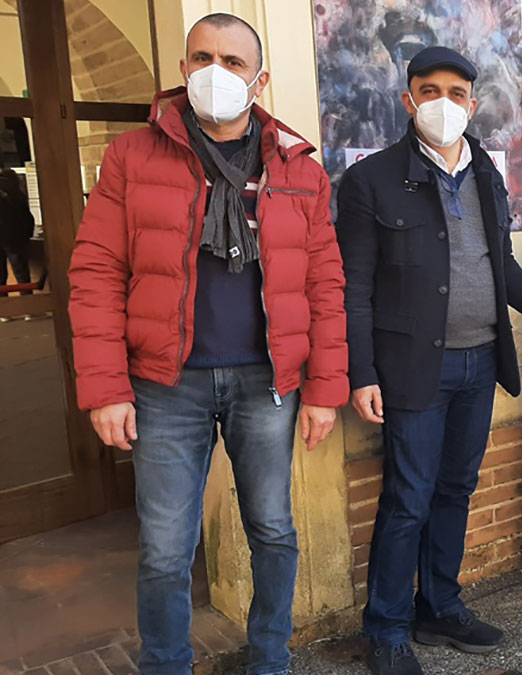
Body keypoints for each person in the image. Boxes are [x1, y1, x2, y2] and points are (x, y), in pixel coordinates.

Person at [68, 13, 348, 675]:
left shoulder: (299, 168)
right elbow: (96, 270)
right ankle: (166, 664)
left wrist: (326, 391)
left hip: (266, 380)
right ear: (184, 67)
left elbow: (324, 281)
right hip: (167, 383)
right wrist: (106, 387)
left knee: (273, 531)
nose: (215, 72)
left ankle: (271, 658)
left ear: (261, 78)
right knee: (165, 548)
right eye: (201, 57)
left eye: (232, 60)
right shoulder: (133, 157)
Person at [335, 46, 522, 675]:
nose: (443, 103)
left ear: (471, 101)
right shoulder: (370, 180)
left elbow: (501, 263)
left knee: (456, 490)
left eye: (456, 92)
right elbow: (352, 286)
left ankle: (438, 604)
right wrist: (361, 373)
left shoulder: (487, 172)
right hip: (412, 370)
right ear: (409, 98)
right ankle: (386, 626)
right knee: (407, 498)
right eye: (429, 90)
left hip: (477, 364)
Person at [0, 168, 33, 295]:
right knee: (22, 274)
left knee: (1, 277)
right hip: (15, 238)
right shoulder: (15, 193)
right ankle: (29, 307)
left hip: (5, 236)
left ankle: (5, 309)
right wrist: (27, 235)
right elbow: (26, 216)